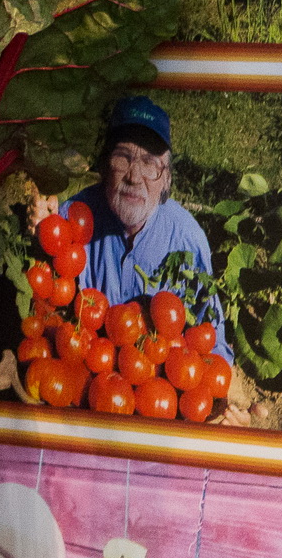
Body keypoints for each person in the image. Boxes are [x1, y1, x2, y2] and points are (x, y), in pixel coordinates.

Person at [52, 96, 234, 363]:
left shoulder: (187, 239)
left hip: (156, 379)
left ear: (167, 179)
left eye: (149, 163)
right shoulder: (75, 216)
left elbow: (211, 339)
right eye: (123, 158)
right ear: (104, 166)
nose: (134, 177)